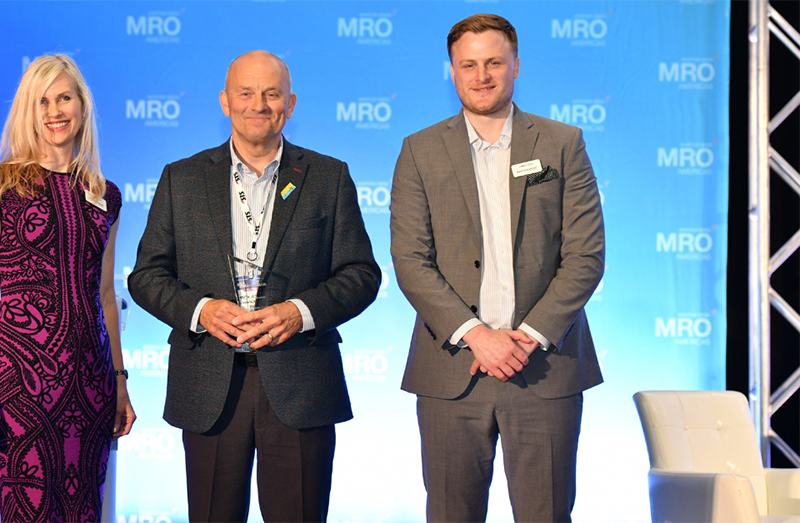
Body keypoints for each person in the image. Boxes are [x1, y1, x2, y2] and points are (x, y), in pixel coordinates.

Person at [128, 50, 380, 523]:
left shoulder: (329, 176)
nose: (258, 104)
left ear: (291, 103)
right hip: (209, 382)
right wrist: (200, 309)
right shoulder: (180, 178)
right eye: (246, 93)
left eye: (271, 94)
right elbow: (146, 276)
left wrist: (299, 312)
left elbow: (361, 274)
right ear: (225, 101)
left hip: (301, 377)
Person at [390, 14, 605, 523]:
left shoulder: (561, 143)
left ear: (515, 66)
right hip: (452, 371)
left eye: (493, 62)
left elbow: (586, 255)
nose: (481, 74)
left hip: (545, 368)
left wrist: (528, 335)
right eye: (469, 64)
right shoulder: (418, 150)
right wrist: (477, 336)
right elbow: (410, 261)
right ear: (452, 71)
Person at [0, 54, 135, 522]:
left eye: (65, 97)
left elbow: (104, 293)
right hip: (22, 384)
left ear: (82, 106)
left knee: (84, 513)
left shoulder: (107, 193)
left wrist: (119, 383)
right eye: (42, 101)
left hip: (91, 385)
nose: (55, 111)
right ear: (27, 109)